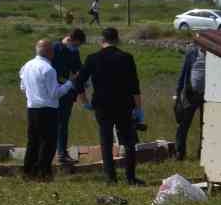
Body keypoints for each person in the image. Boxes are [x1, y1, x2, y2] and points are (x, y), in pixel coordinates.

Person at [74, 27, 144, 185]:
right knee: (128, 141)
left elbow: (79, 82)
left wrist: (85, 102)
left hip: (102, 105)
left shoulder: (93, 58)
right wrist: (139, 109)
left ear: (102, 40)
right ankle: (131, 177)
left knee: (106, 141)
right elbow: (135, 86)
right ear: (117, 40)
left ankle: (110, 178)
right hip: (124, 105)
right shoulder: (127, 58)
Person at [17, 39, 73, 180]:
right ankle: (43, 173)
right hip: (48, 109)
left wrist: (33, 95)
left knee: (33, 141)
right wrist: (69, 84)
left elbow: (23, 87)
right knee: (48, 143)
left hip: (32, 108)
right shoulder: (48, 69)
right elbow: (54, 94)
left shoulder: (26, 66)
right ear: (49, 52)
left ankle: (28, 171)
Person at [51, 27, 86, 166]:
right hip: (56, 91)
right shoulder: (56, 49)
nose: (76, 48)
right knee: (57, 124)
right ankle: (59, 153)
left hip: (69, 93)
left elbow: (78, 67)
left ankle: (62, 152)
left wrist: (83, 78)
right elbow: (53, 71)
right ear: (70, 39)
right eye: (76, 44)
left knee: (63, 123)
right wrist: (68, 82)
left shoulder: (74, 50)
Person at [174, 42, 206, 161]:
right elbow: (183, 74)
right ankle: (179, 153)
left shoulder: (215, 57)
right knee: (183, 124)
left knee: (206, 126)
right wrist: (177, 94)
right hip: (190, 94)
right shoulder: (192, 53)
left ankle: (202, 153)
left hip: (207, 96)